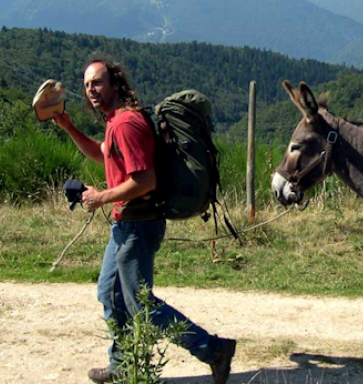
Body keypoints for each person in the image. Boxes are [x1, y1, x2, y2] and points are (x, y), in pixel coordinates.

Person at [52, 57, 236, 384]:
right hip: (126, 224)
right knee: (110, 294)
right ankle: (123, 363)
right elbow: (101, 153)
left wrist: (101, 197)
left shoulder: (125, 124)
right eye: (86, 85)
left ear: (114, 84)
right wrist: (69, 128)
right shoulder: (116, 121)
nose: (91, 90)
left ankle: (213, 350)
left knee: (141, 304)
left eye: (97, 82)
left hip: (139, 225)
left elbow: (145, 181)